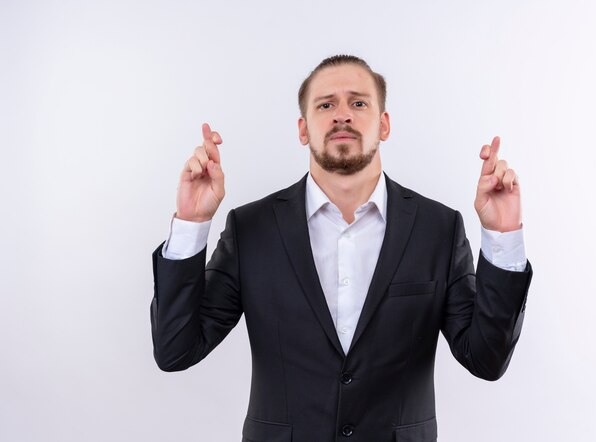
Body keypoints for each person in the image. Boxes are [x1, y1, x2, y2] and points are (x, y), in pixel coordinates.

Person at [150, 55, 533, 442]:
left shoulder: (438, 229)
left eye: (359, 103)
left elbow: (485, 359)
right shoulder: (251, 229)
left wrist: (502, 237)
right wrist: (191, 223)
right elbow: (176, 350)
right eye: (326, 104)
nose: (342, 115)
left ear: (384, 124)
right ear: (303, 129)